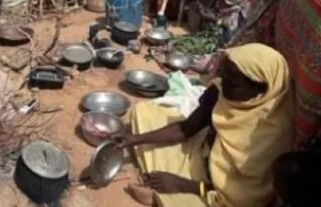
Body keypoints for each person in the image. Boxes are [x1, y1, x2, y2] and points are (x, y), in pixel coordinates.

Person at [115, 44, 293, 206]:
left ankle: (164, 199)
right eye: (223, 76)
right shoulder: (220, 91)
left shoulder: (273, 131)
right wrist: (135, 139)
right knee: (144, 112)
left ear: (261, 90)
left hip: (224, 191)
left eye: (233, 84)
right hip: (204, 153)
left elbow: (246, 197)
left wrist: (184, 185)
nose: (224, 85)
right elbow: (187, 127)